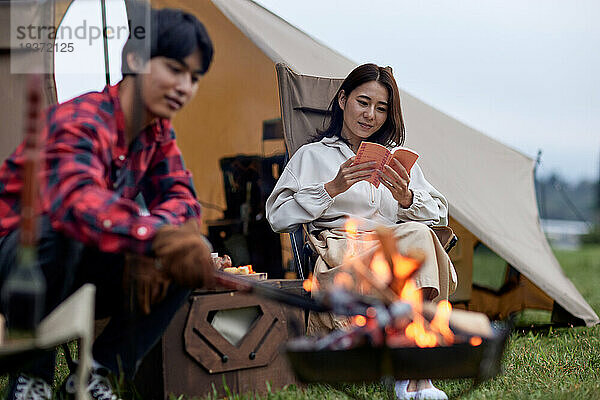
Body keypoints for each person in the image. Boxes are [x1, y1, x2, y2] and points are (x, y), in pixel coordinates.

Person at [0, 7, 216, 400]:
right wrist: (151, 237)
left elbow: (183, 202)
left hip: (76, 263)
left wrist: (157, 243)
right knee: (57, 232)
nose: (185, 86)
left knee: (191, 252)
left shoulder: (157, 134)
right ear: (134, 59)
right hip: (16, 264)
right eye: (174, 68)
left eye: (194, 77)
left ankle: (98, 374)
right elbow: (76, 204)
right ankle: (31, 377)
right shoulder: (81, 118)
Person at [266, 63, 457, 399]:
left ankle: (415, 376)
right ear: (343, 100)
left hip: (393, 253)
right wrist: (332, 188)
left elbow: (440, 213)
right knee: (417, 238)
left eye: (381, 108)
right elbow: (277, 216)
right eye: (363, 102)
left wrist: (406, 197)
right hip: (343, 258)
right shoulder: (311, 156)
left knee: (418, 236)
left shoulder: (396, 159)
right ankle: (415, 376)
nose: (370, 115)